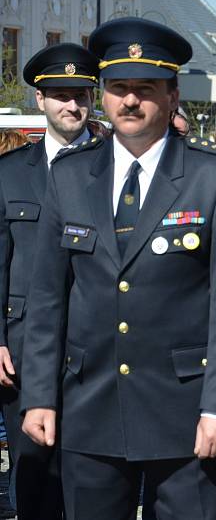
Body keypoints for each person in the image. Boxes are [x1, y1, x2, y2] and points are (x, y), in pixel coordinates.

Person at [19, 17, 216, 520]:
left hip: (186, 409)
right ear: (103, 95)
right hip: (89, 407)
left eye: (145, 89)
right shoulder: (68, 176)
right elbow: (47, 298)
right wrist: (39, 395)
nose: (130, 101)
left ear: (172, 95)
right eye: (118, 88)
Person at [0, 42, 101, 520]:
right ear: (39, 101)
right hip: (22, 352)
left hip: (96, 350)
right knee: (34, 479)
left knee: (94, 483)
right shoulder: (9, 175)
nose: (72, 104)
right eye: (60, 94)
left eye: (80, 93)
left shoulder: (114, 169)